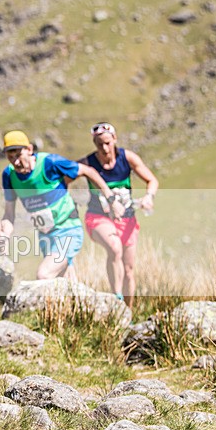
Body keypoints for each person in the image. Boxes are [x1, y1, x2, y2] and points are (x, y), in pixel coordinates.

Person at [0, 130, 125, 280]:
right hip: (45, 235)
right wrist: (5, 235)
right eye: (10, 157)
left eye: (18, 155)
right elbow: (9, 214)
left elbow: (88, 171)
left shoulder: (49, 163)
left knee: (44, 274)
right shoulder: (9, 175)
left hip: (67, 229)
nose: (16, 162)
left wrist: (111, 200)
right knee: (64, 281)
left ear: (29, 150)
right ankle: (81, 302)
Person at [78, 122, 159, 307]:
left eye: (107, 143)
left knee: (129, 270)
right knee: (114, 248)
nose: (104, 148)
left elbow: (152, 180)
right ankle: (116, 299)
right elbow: (65, 176)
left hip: (127, 219)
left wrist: (149, 197)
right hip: (98, 217)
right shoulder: (87, 163)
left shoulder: (127, 158)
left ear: (114, 139)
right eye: (99, 144)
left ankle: (127, 312)